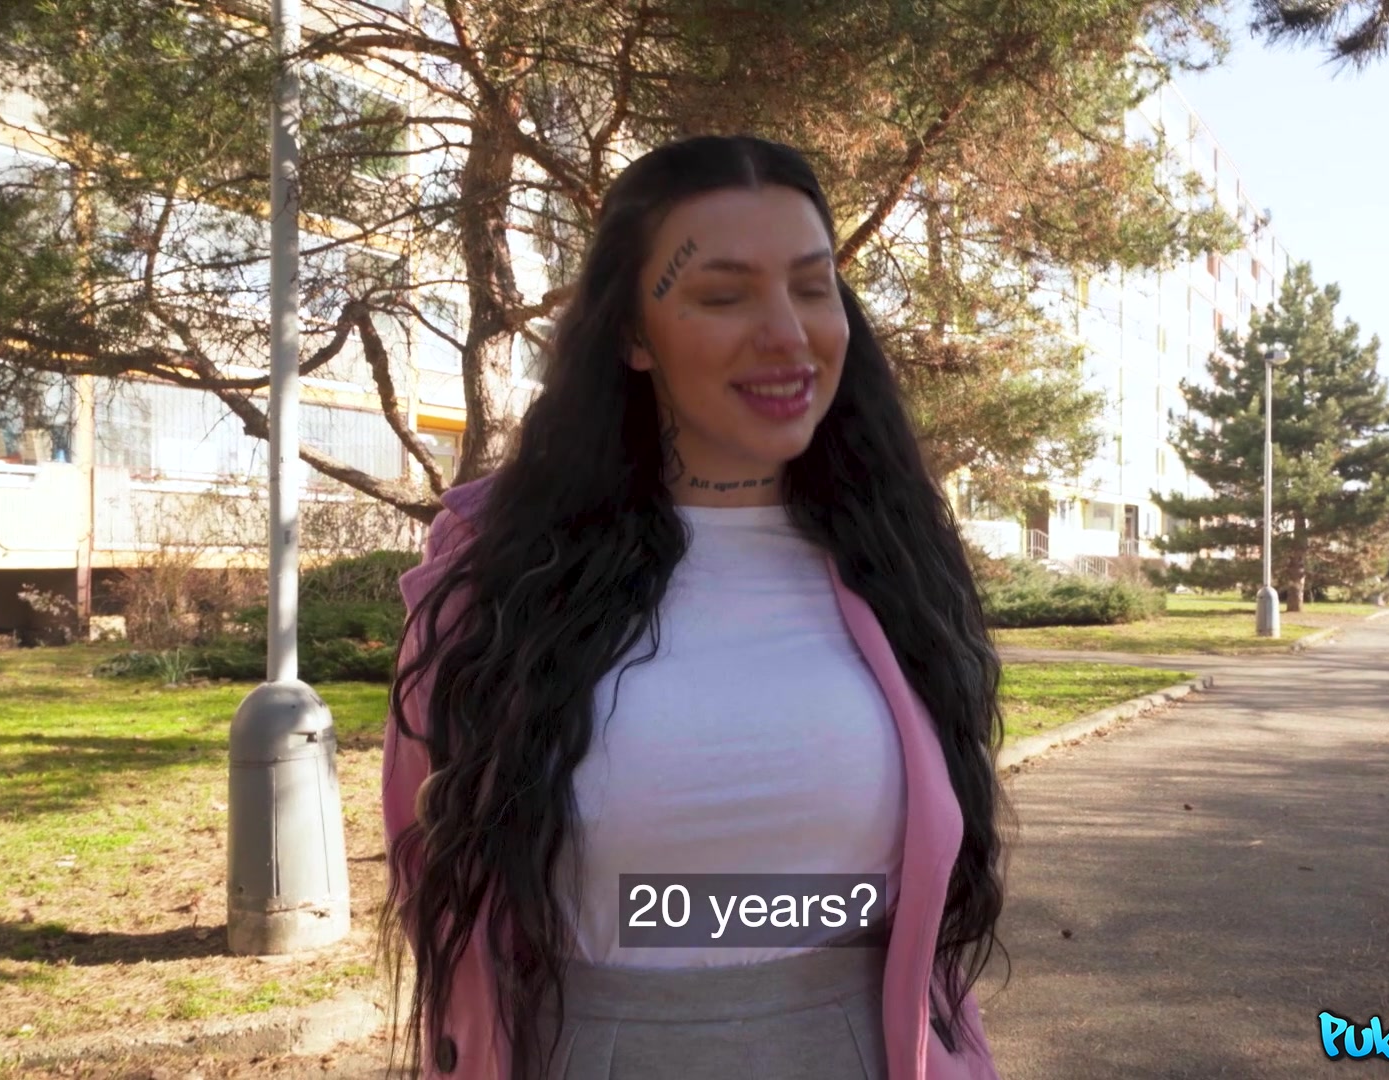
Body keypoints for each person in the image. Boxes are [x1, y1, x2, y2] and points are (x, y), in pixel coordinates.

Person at [381, 134, 1011, 1080]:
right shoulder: (498, 580)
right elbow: (434, 869)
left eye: (813, 287)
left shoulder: (897, 561)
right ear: (633, 336)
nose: (788, 335)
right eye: (723, 296)